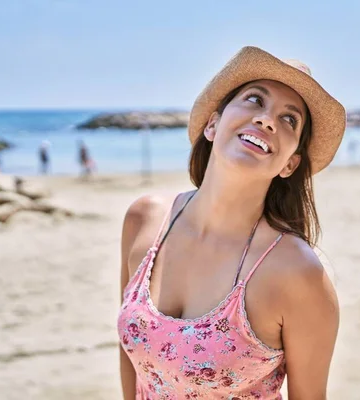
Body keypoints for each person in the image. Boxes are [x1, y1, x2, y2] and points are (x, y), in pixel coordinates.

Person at [117, 46, 345, 399]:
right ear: (212, 123)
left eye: (289, 119)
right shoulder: (144, 220)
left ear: (290, 164)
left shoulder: (297, 273)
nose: (267, 119)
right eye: (255, 100)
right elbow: (130, 362)